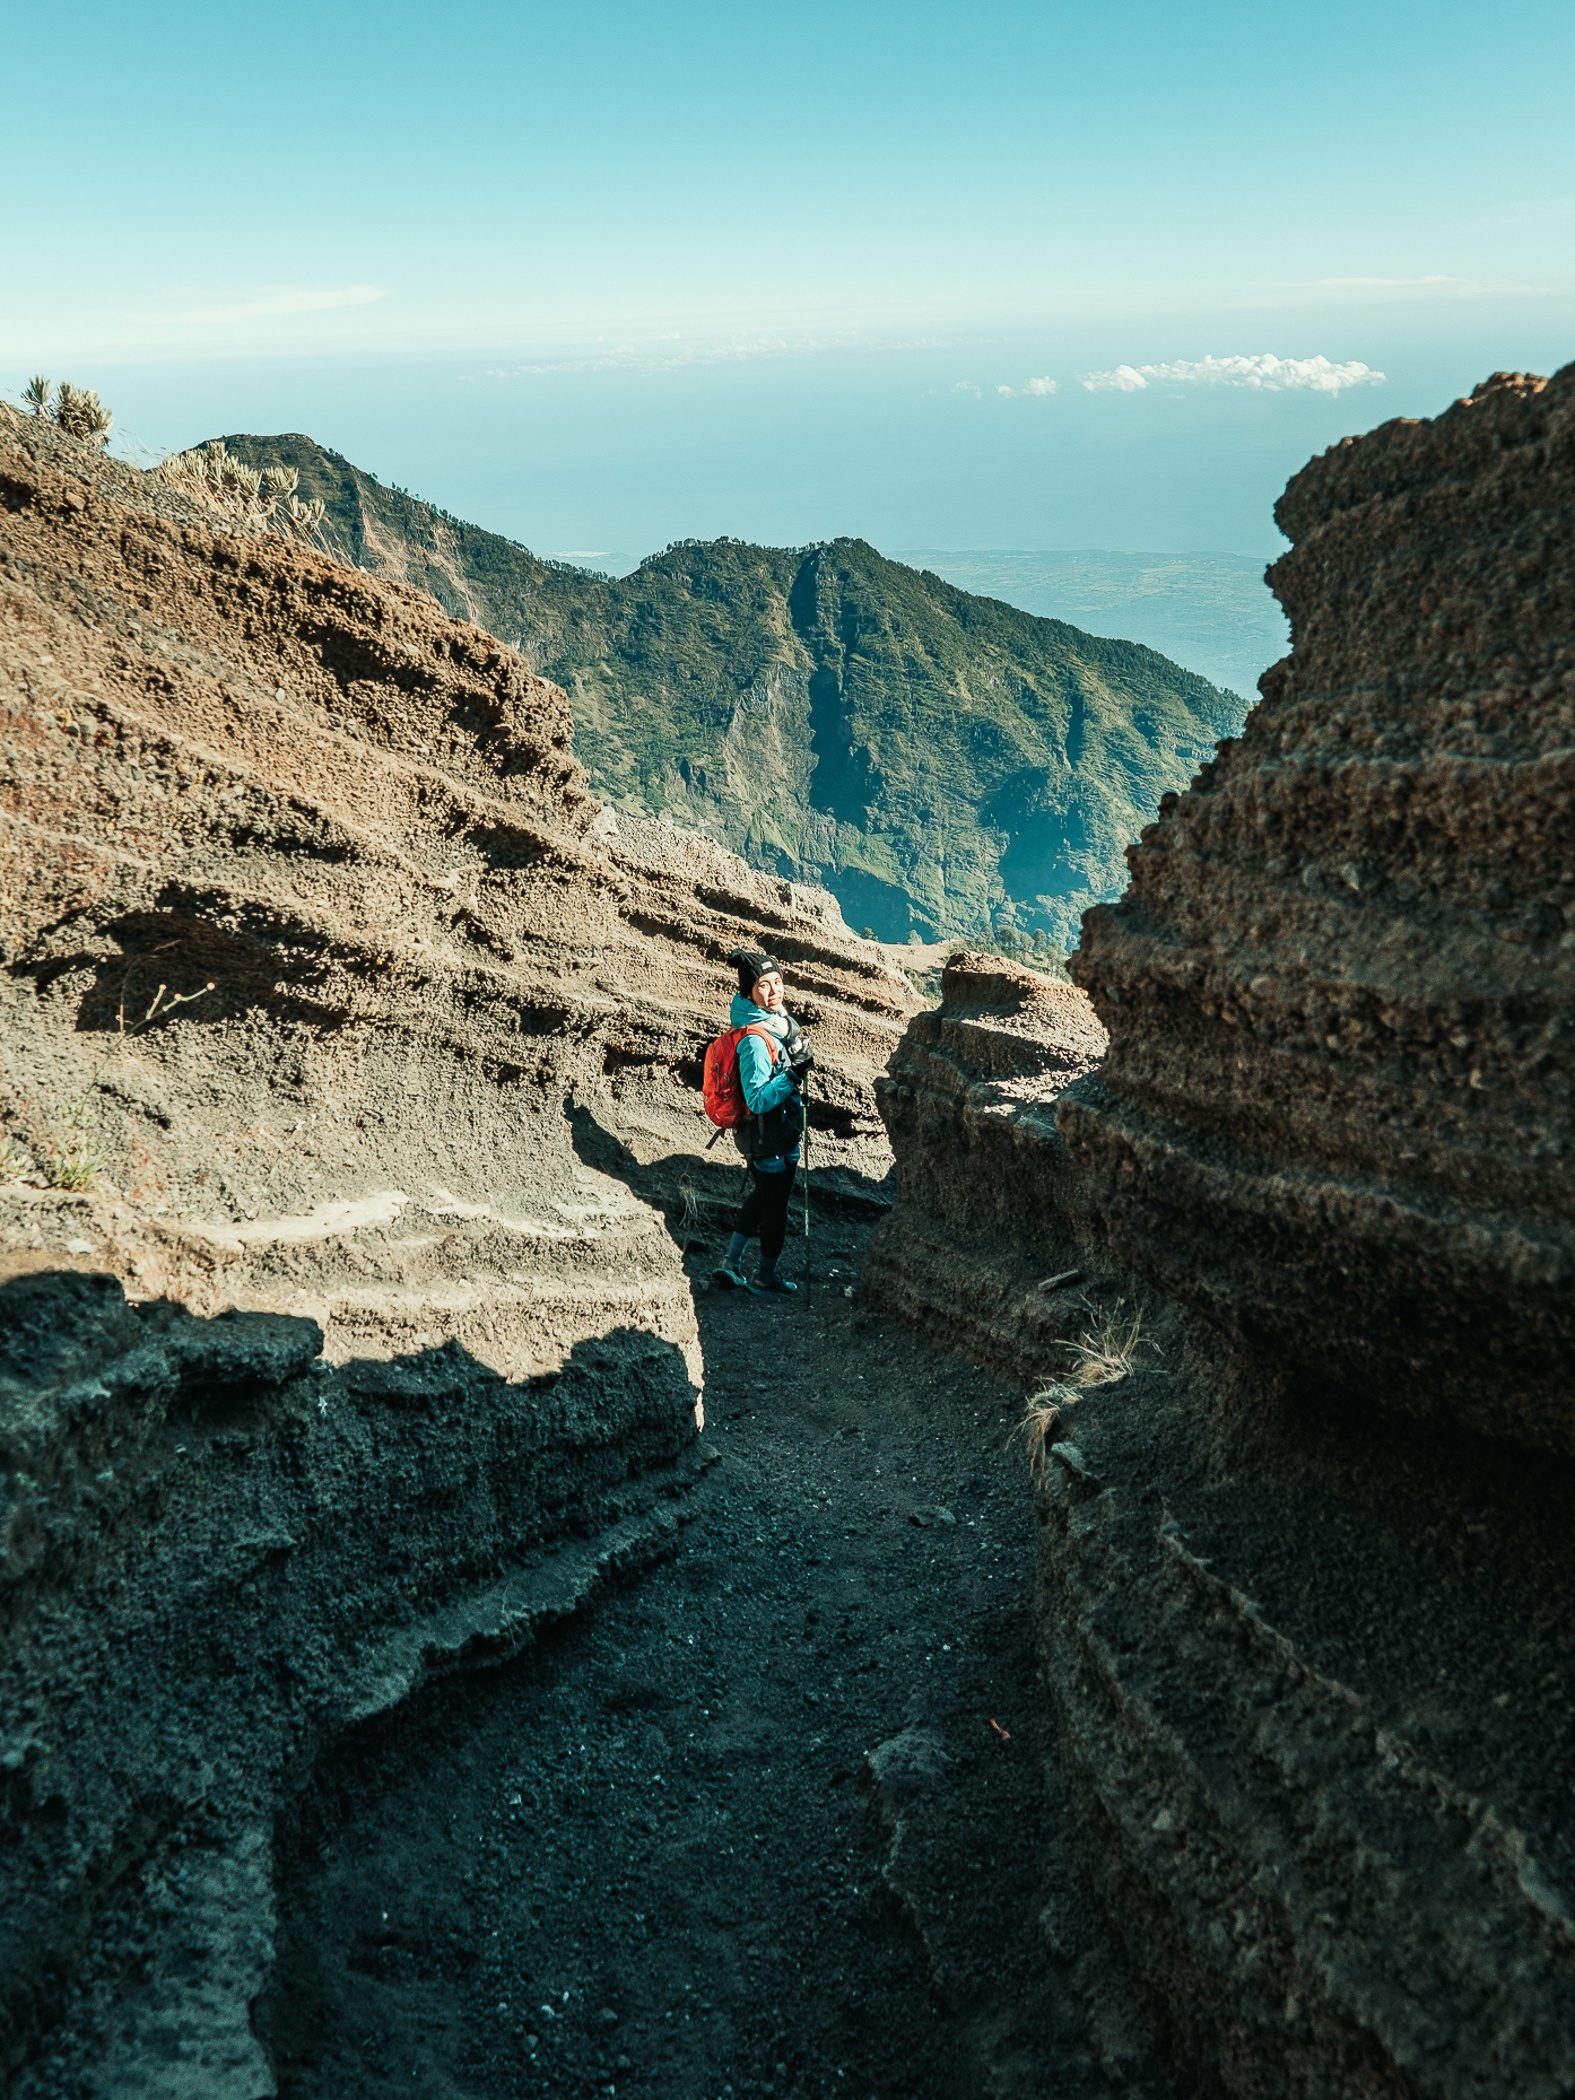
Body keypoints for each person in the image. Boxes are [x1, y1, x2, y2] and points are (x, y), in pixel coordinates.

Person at [714, 947, 813, 1295]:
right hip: (764, 1136)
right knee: (776, 1209)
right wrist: (794, 1074)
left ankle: (731, 1263)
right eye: (764, 986)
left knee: (763, 1197)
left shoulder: (779, 1023)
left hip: (782, 1131)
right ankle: (765, 1274)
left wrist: (795, 1064)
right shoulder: (754, 1040)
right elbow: (757, 1099)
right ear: (748, 993)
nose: (774, 992)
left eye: (777, 982)